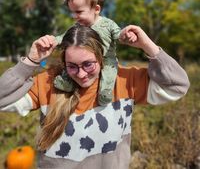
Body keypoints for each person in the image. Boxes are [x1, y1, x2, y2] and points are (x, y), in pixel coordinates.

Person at [0, 24, 189, 169]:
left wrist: (148, 46)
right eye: (72, 66)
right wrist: (30, 62)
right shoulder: (48, 82)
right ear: (64, 62)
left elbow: (178, 86)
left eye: (88, 64)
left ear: (101, 57)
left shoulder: (124, 80)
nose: (81, 74)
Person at [54, 0, 135, 106]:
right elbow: (64, 37)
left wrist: (126, 35)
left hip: (106, 59)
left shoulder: (107, 24)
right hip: (82, 61)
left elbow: (119, 35)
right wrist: (54, 41)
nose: (75, 16)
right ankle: (67, 83)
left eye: (79, 12)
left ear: (96, 9)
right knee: (71, 66)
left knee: (108, 74)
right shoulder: (77, 26)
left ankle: (105, 92)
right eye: (72, 12)